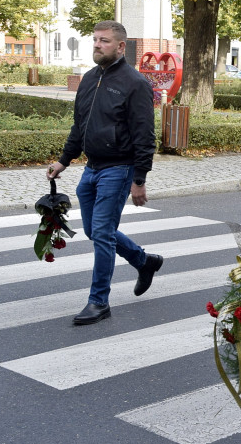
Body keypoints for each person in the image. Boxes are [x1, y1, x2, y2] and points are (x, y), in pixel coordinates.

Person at [47, 21, 162, 325]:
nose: (98, 45)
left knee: (101, 233)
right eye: (96, 40)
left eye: (105, 41)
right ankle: (143, 261)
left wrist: (139, 179)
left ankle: (99, 301)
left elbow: (145, 135)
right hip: (92, 167)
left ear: (121, 46)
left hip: (119, 169)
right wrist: (63, 161)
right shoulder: (89, 79)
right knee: (96, 230)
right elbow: (79, 126)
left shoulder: (135, 83)